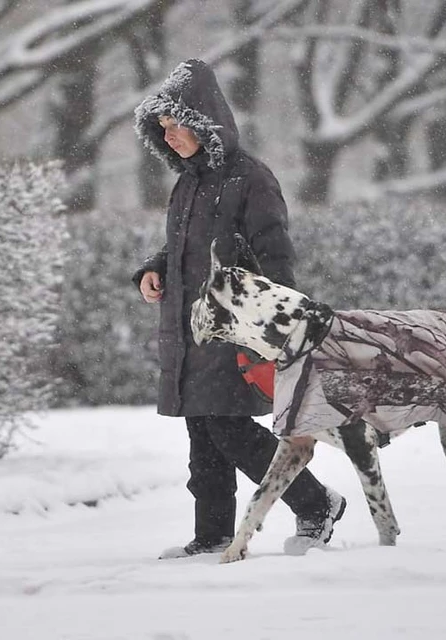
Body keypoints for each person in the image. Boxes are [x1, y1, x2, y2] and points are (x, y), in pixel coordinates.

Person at [132, 59, 346, 559]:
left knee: (228, 427)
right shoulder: (187, 182)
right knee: (203, 433)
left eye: (176, 125)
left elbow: (275, 254)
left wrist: (276, 331)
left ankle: (316, 503)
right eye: (162, 128)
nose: (170, 137)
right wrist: (153, 268)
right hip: (192, 328)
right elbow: (183, 247)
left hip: (236, 328)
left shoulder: (250, 179)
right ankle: (212, 535)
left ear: (203, 120)